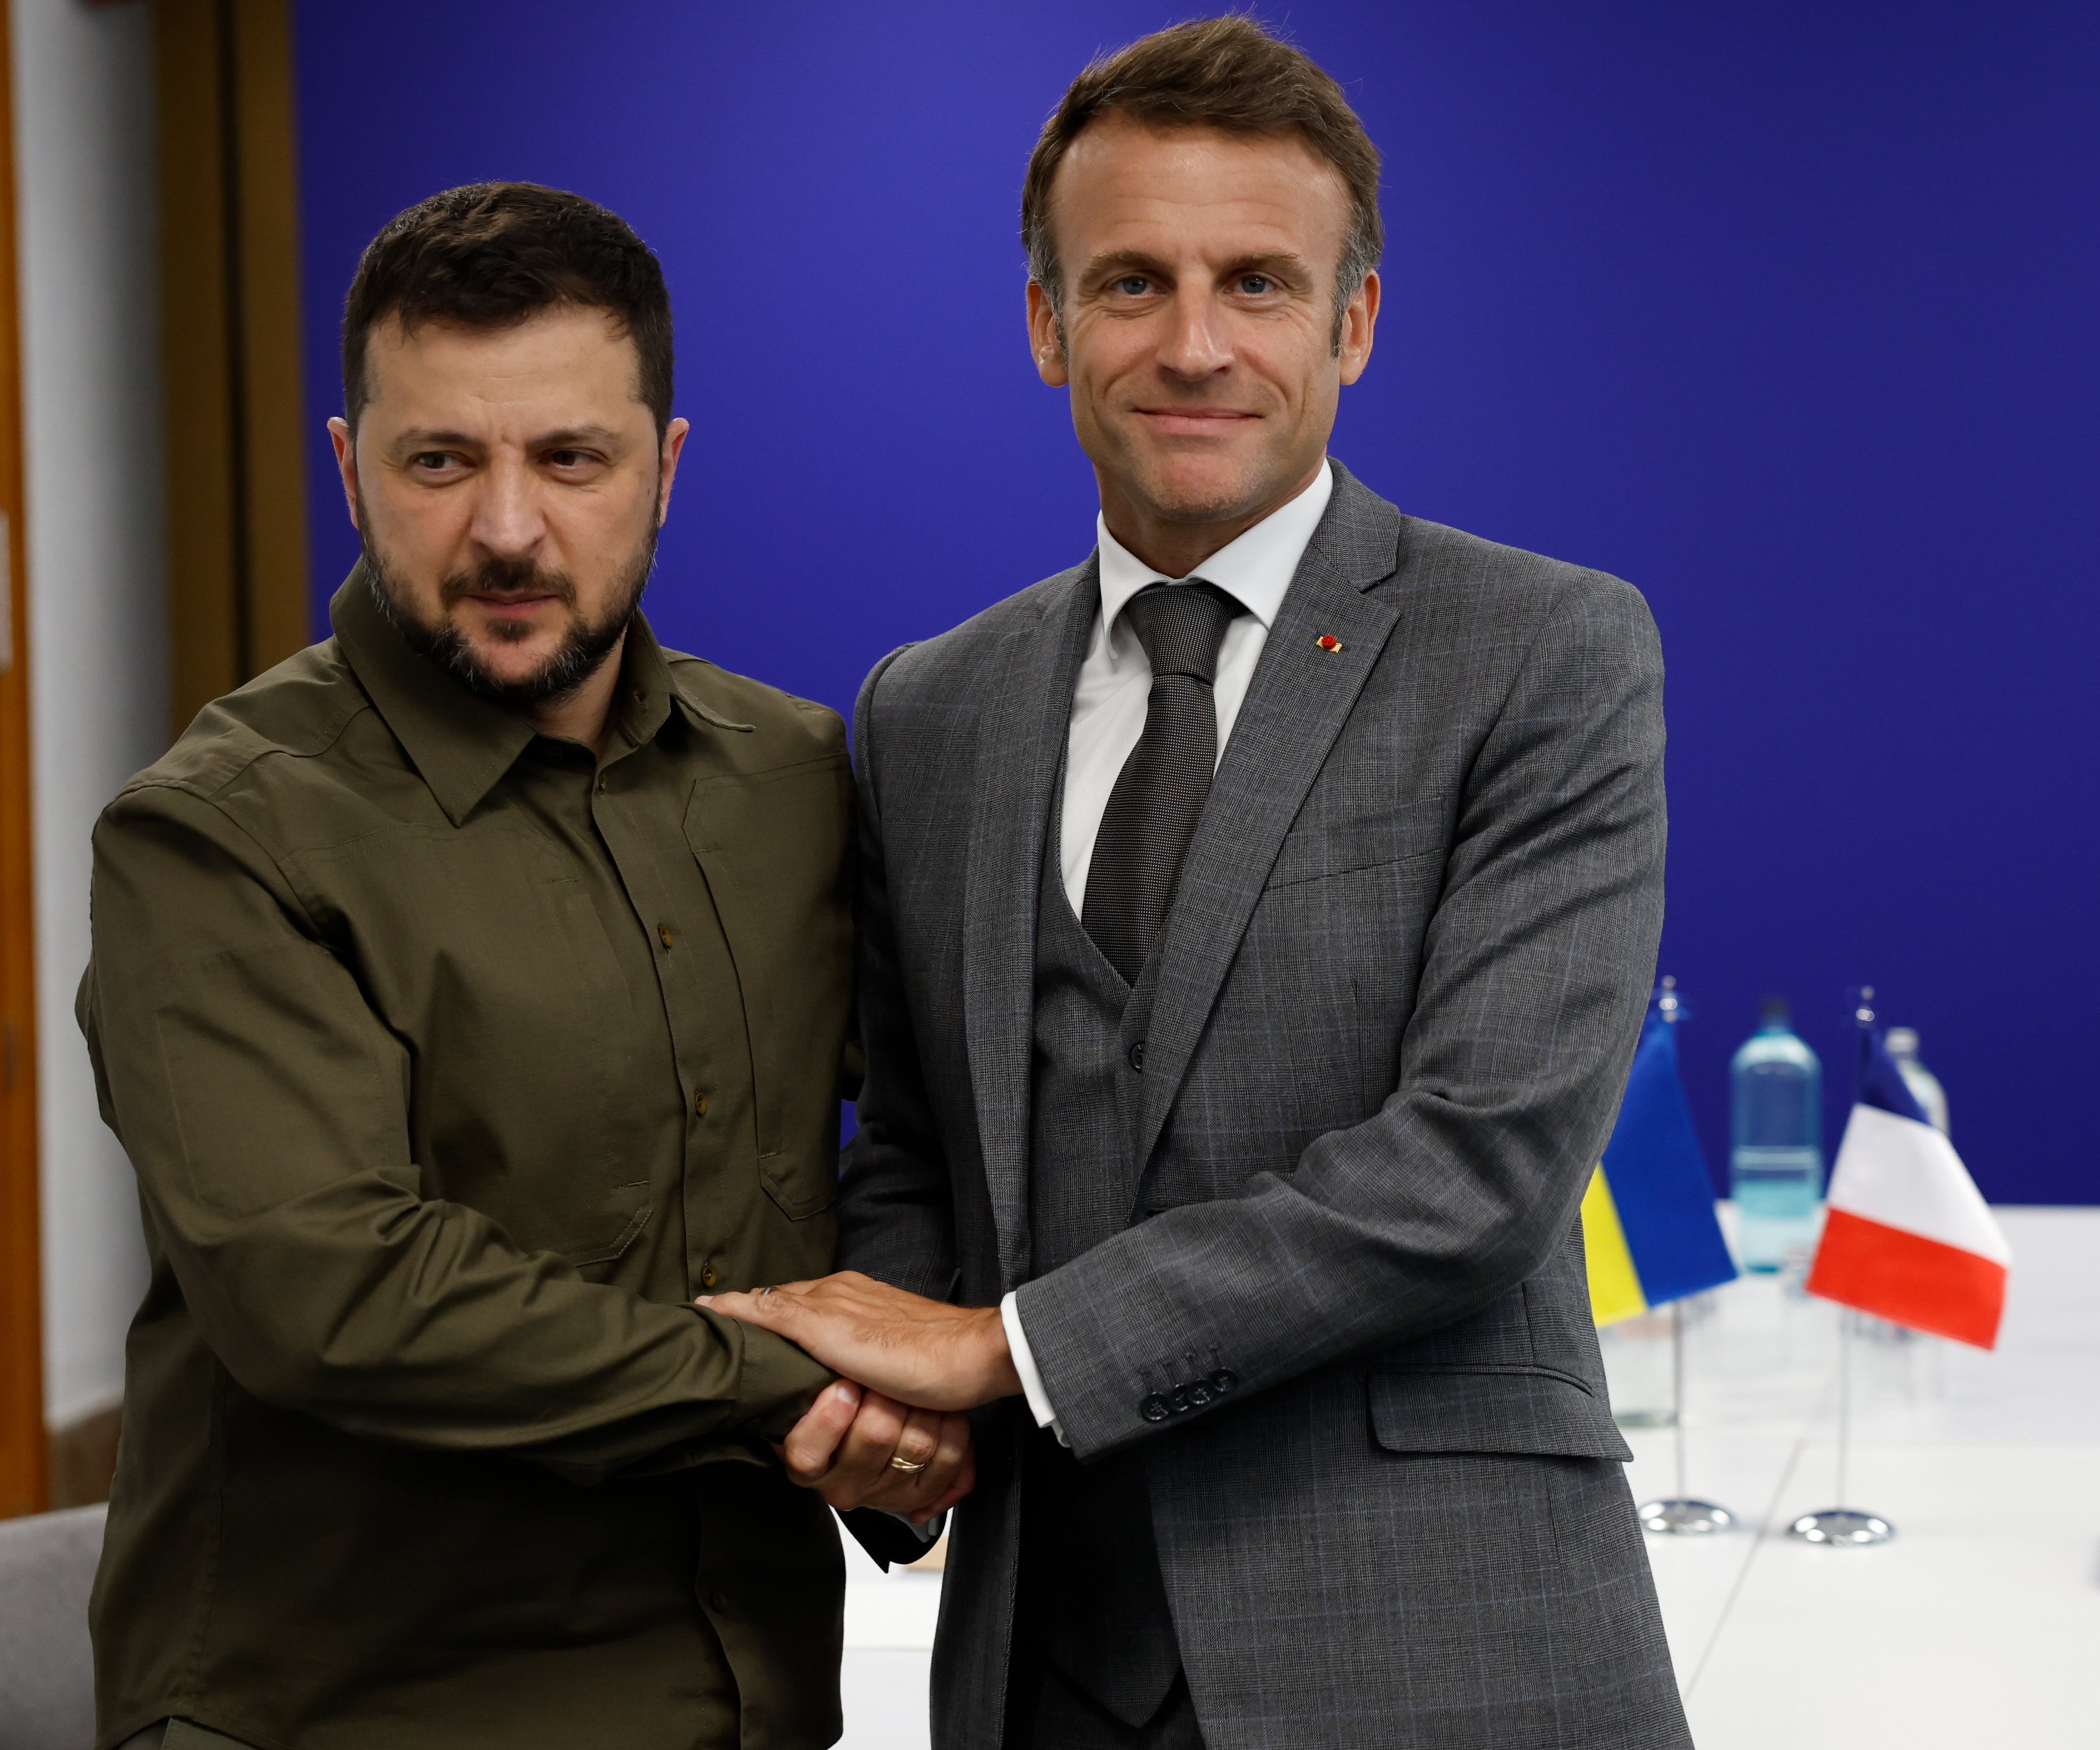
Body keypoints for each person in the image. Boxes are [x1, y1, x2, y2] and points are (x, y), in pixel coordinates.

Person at [704, 19, 1690, 1749]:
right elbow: (920, 1143)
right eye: (1131, 282)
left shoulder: (1541, 649)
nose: (1193, 343)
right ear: (1044, 322)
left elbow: (1481, 1165)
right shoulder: (928, 708)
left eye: (1255, 282)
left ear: (1353, 322)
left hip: (1439, 1652)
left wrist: (999, 1356)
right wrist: (898, 1435)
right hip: (1041, 1666)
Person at [78, 182, 966, 1750]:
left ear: (663, 471)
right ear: (349, 468)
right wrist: (791, 1390)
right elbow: (331, 1292)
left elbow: (910, 1140)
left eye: (570, 457)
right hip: (357, 1711)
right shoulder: (215, 837)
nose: (505, 527)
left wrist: (931, 1397)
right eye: (440, 460)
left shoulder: (792, 778)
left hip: (750, 1695)